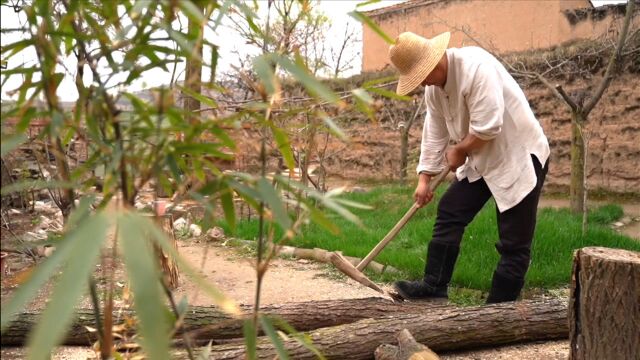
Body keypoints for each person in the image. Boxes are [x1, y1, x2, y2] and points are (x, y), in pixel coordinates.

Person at [388, 31, 550, 303]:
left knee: (514, 242)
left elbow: (489, 126)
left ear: (434, 64)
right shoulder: (434, 90)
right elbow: (435, 132)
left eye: (423, 77)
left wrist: (461, 149)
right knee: (450, 211)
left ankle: (498, 311)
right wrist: (424, 178)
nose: (423, 84)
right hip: (481, 159)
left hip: (518, 156)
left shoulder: (477, 68)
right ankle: (434, 285)